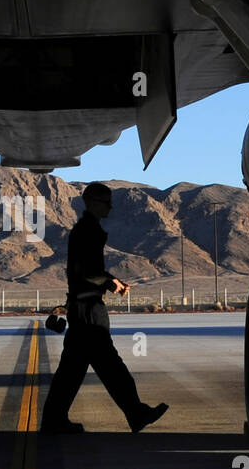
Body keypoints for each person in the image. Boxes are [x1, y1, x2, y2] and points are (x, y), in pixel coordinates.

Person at [39, 182, 169, 434]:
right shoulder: (87, 231)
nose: (110, 206)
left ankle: (55, 420)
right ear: (95, 203)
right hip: (88, 311)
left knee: (74, 370)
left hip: (84, 307)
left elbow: (87, 269)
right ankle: (136, 413)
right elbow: (84, 271)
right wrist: (109, 282)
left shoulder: (87, 230)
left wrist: (111, 279)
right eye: (106, 201)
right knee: (109, 367)